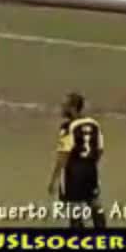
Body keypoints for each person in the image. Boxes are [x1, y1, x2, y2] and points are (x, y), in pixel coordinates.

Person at [47, 92, 107, 229]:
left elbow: (63, 155)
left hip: (73, 173)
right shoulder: (94, 124)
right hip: (91, 169)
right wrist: (90, 164)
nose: (61, 109)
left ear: (73, 108)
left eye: (64, 106)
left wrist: (53, 180)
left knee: (74, 210)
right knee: (94, 203)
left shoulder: (68, 127)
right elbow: (100, 150)